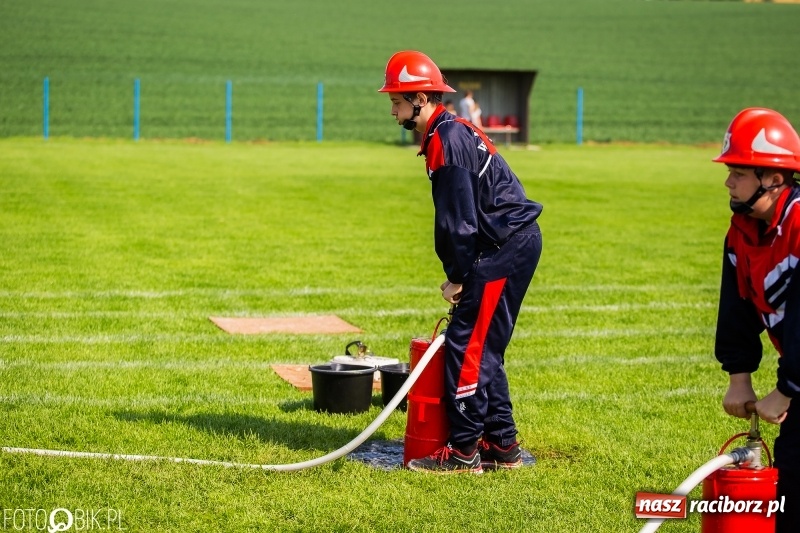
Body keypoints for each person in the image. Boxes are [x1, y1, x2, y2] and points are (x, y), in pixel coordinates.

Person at [378, 50, 543, 474]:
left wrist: (458, 278)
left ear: (419, 98)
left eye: (396, 101)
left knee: (467, 345)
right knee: (484, 345)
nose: (393, 110)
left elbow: (458, 223)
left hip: (501, 248)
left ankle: (465, 450)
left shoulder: (446, 142)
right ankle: (503, 446)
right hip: (509, 243)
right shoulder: (448, 132)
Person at [713, 107, 800, 531]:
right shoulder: (742, 233)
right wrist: (739, 376)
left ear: (774, 178)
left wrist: (787, 389)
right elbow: (737, 306)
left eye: (738, 172)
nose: (728, 181)